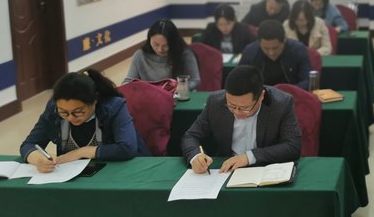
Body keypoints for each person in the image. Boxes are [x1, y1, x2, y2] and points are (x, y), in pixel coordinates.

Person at [20, 68, 149, 172]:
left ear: (94, 101)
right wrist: (38, 159)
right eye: (64, 112)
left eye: (78, 112)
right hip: (75, 175)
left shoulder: (114, 107)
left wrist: (81, 152)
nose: (70, 117)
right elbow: (29, 144)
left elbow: (126, 148)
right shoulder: (53, 109)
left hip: (121, 171)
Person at [181, 65, 302, 174]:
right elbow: (191, 136)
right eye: (231, 106)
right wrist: (195, 156)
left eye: (245, 108)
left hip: (265, 170)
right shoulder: (215, 102)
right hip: (226, 171)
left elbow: (293, 146)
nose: (237, 113)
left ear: (261, 96)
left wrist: (249, 157)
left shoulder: (281, 104)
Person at [124, 19, 200, 90]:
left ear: (174, 42)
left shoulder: (184, 54)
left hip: (178, 96)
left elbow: (195, 80)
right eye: (156, 44)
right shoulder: (140, 55)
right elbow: (129, 81)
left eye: (165, 45)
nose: (160, 49)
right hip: (150, 97)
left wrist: (179, 89)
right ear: (149, 39)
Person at [239, 20, 311, 89]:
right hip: (261, 94)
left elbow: (307, 80)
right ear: (259, 43)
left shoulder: (297, 50)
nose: (271, 53)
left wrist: (287, 91)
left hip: (292, 93)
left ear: (284, 40)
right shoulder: (250, 52)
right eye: (266, 48)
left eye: (275, 48)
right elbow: (240, 78)